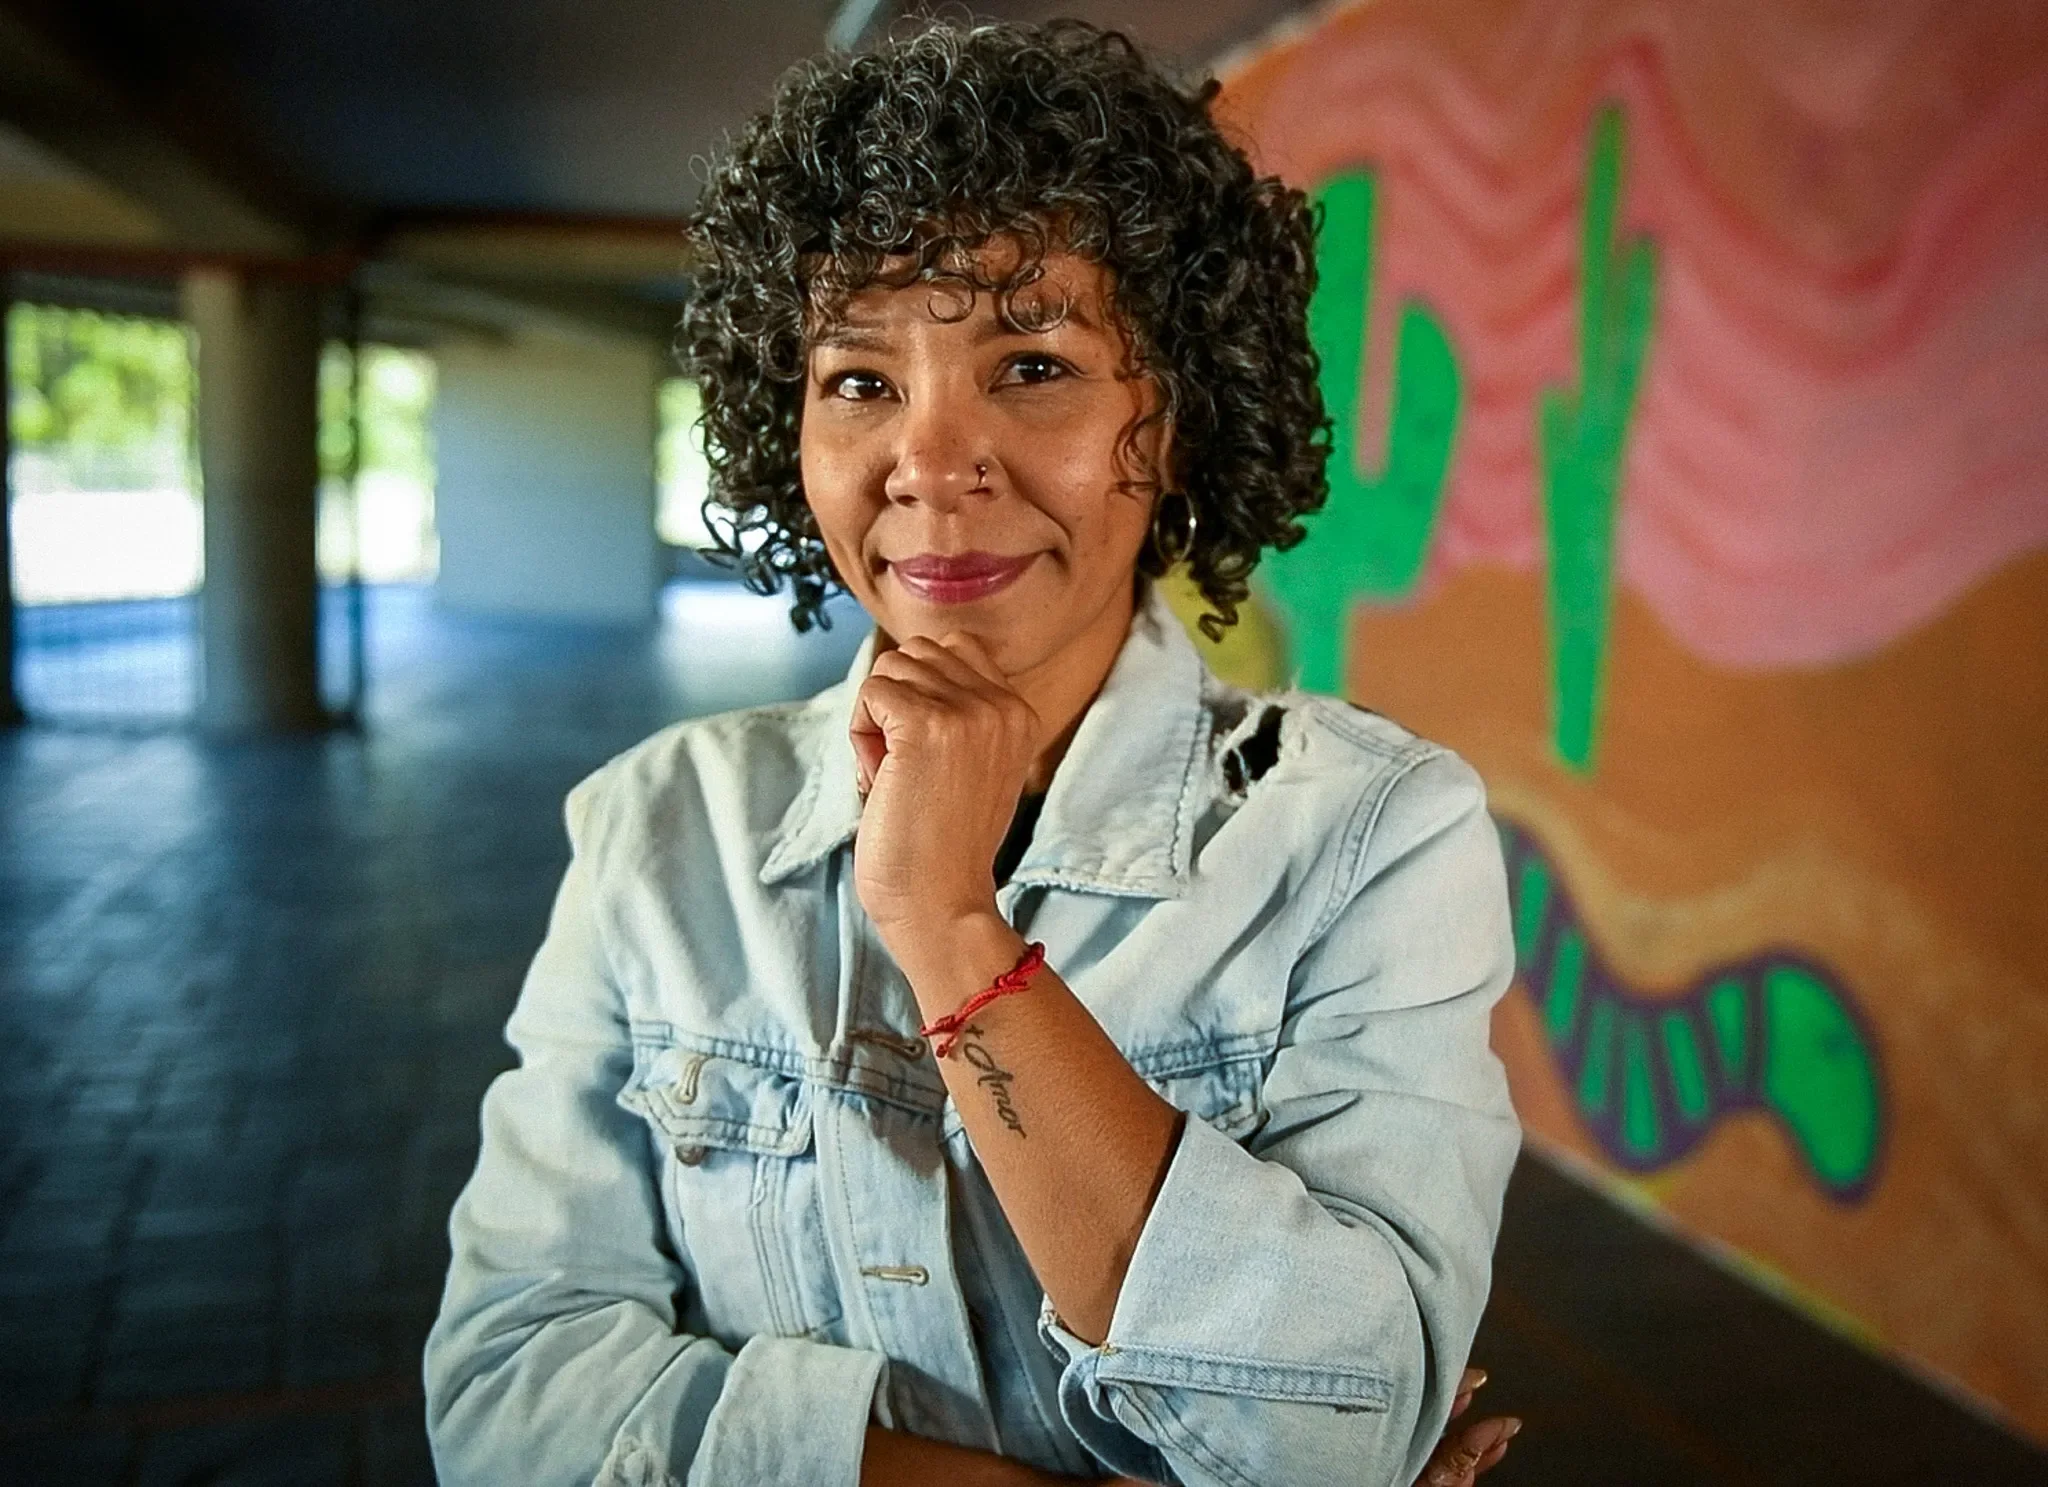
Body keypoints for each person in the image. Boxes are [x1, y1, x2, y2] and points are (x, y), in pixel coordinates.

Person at [425, 19, 1523, 1487]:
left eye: (1032, 363)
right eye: (861, 382)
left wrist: (948, 927)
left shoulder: (1372, 837)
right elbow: (509, 1398)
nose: (932, 464)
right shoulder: (656, 829)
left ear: (1181, 415)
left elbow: (1336, 1425)